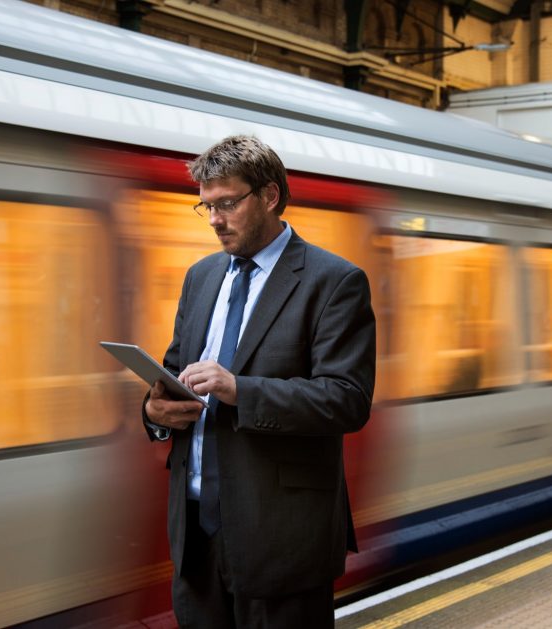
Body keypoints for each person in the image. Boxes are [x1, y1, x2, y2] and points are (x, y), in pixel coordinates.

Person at [142, 135, 376, 628]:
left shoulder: (333, 281)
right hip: (196, 536)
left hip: (281, 538)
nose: (214, 220)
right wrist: (155, 413)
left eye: (226, 203)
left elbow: (347, 400)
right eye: (205, 207)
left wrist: (239, 390)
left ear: (269, 196)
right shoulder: (201, 276)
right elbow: (174, 370)